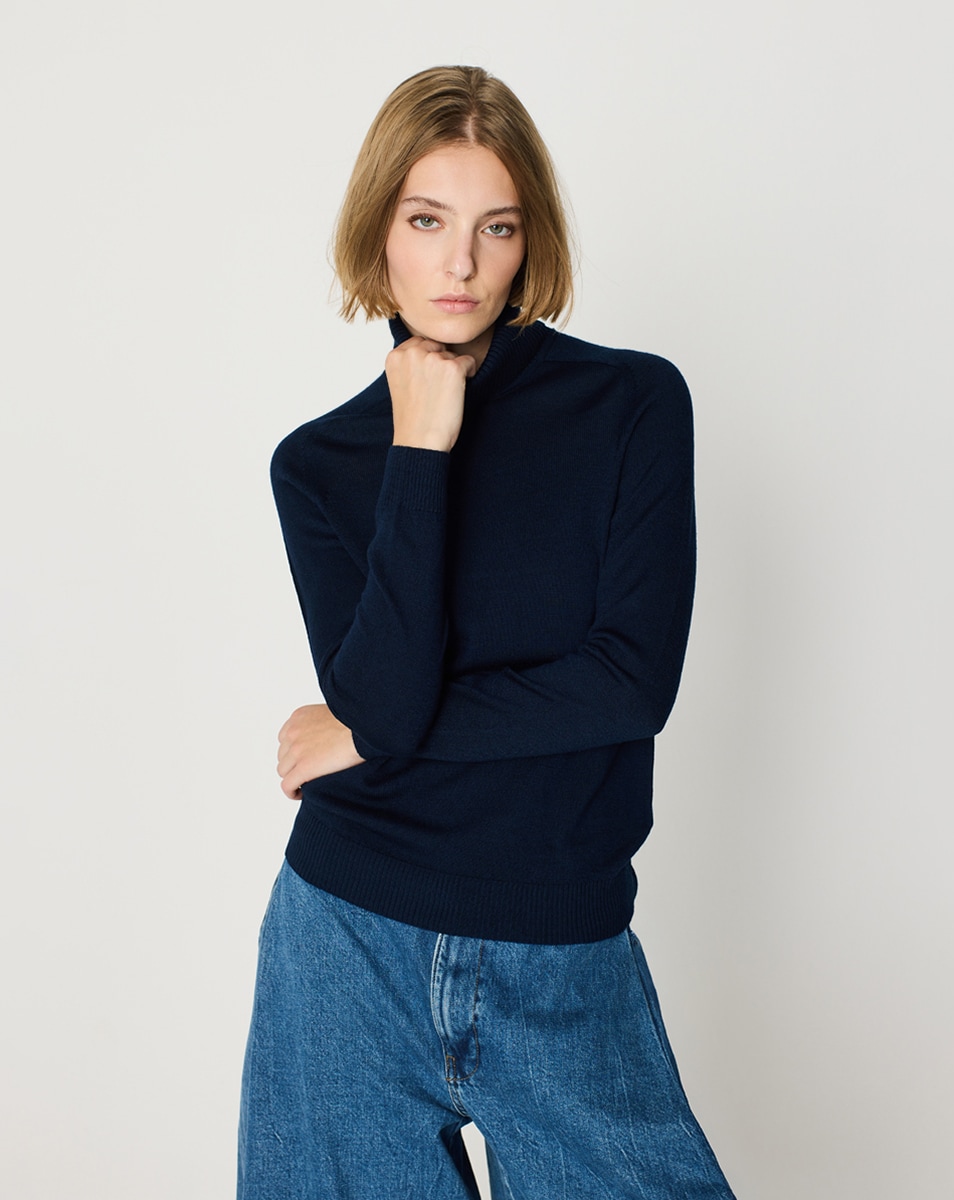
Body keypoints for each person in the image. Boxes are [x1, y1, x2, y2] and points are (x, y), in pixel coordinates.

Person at [238, 65, 737, 1200]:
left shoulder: (631, 406)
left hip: (559, 953)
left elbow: (628, 685)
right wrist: (419, 449)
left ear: (527, 244)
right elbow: (387, 699)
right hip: (343, 940)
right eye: (427, 221)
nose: (459, 264)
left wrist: (372, 735)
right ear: (378, 233)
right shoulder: (319, 463)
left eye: (495, 228)